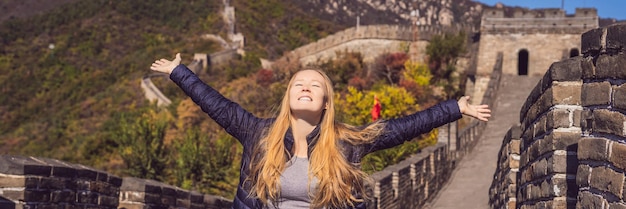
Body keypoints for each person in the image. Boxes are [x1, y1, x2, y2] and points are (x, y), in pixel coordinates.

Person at [150, 53, 491, 209]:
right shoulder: (257, 133)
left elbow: (402, 128)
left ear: (326, 103)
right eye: (299, 83)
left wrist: (455, 108)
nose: (306, 87)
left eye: (315, 85)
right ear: (288, 96)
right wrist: (180, 72)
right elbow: (217, 104)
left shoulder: (346, 143)